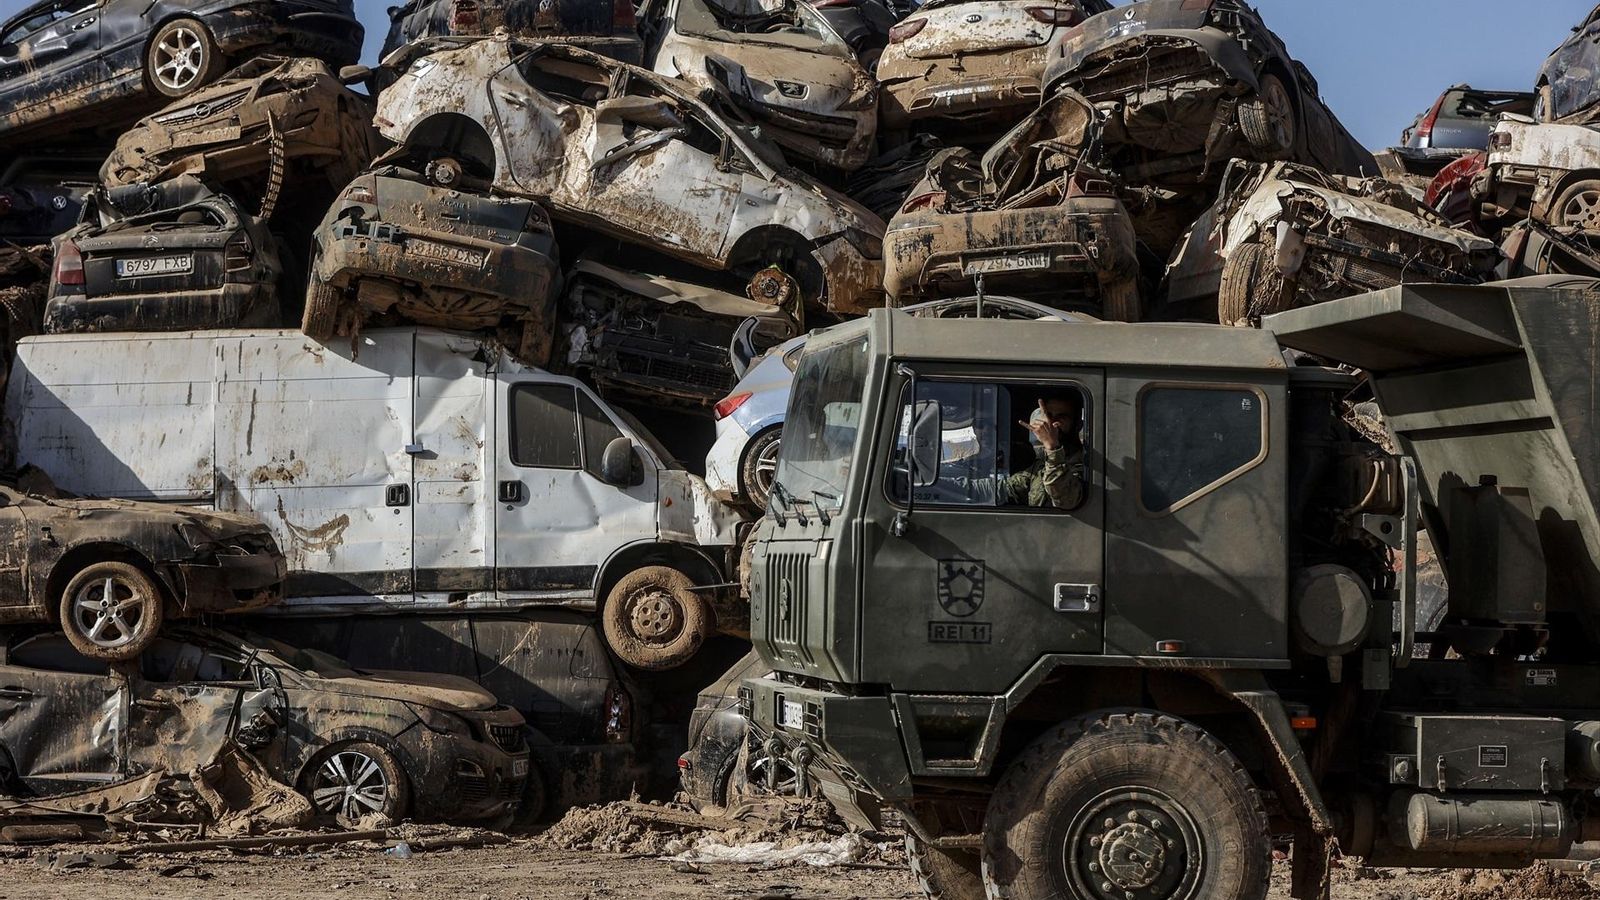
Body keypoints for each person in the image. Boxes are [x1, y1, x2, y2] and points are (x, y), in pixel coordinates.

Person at [1000, 390, 1086, 510]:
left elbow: (1067, 501)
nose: (1051, 423)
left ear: (1077, 425)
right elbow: (1007, 489)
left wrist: (1052, 447)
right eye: (1048, 416)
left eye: (1061, 417)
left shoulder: (1086, 466)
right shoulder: (1041, 466)